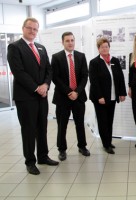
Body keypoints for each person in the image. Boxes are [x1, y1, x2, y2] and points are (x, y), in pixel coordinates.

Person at [7, 17, 59, 175]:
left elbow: (49, 70)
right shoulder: (15, 47)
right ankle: (30, 161)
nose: (32, 31)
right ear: (23, 28)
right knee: (29, 129)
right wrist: (36, 87)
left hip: (41, 96)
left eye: (35, 29)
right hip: (26, 97)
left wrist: (45, 85)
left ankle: (43, 156)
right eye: (29, 28)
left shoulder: (41, 47)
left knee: (42, 127)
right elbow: (19, 72)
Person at [51, 32, 90, 161]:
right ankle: (62, 150)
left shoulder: (81, 56)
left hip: (78, 97)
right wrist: (69, 92)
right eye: (67, 40)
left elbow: (85, 76)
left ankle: (82, 146)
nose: (70, 43)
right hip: (63, 98)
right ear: (62, 42)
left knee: (80, 124)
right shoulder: (56, 57)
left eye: (72, 40)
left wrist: (77, 92)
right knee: (62, 125)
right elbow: (55, 78)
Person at [89, 37, 127, 154]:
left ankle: (108, 141)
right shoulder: (94, 62)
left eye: (106, 46)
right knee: (102, 122)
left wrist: (122, 93)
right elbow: (94, 81)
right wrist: (99, 96)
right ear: (98, 49)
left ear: (109, 47)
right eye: (102, 47)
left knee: (109, 121)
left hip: (112, 97)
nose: (104, 49)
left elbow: (120, 77)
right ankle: (106, 145)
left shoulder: (114, 60)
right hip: (100, 99)